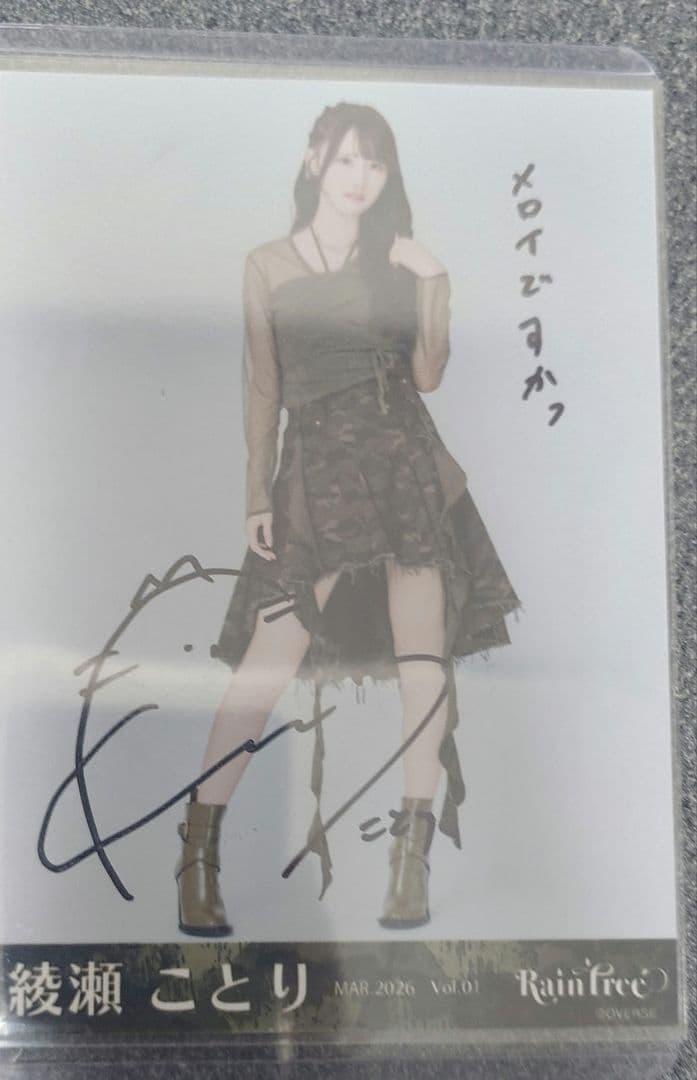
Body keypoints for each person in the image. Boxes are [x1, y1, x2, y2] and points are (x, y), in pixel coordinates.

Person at [174, 102, 521, 936]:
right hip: (318, 472)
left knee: (422, 664)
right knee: (262, 668)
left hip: (404, 465)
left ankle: (411, 859)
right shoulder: (267, 264)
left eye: (374, 162)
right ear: (312, 164)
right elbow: (264, 386)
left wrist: (433, 278)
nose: (359, 177)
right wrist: (258, 495)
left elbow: (427, 375)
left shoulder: (396, 260)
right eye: (344, 160)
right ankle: (197, 853)